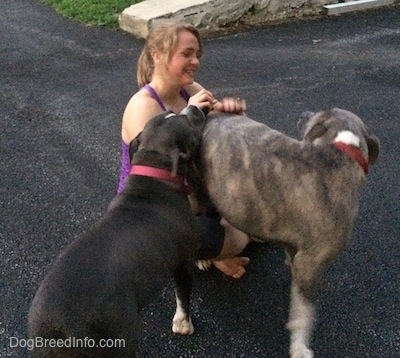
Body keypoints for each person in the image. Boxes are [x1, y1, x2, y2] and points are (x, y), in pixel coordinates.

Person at [118, 21, 250, 279]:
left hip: (194, 194)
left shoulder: (186, 87)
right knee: (243, 236)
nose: (196, 61)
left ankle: (210, 249)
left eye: (197, 54)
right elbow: (165, 175)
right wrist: (191, 113)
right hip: (155, 210)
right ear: (158, 56)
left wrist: (227, 109)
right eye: (186, 54)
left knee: (253, 214)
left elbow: (213, 113)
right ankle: (210, 252)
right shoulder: (143, 108)